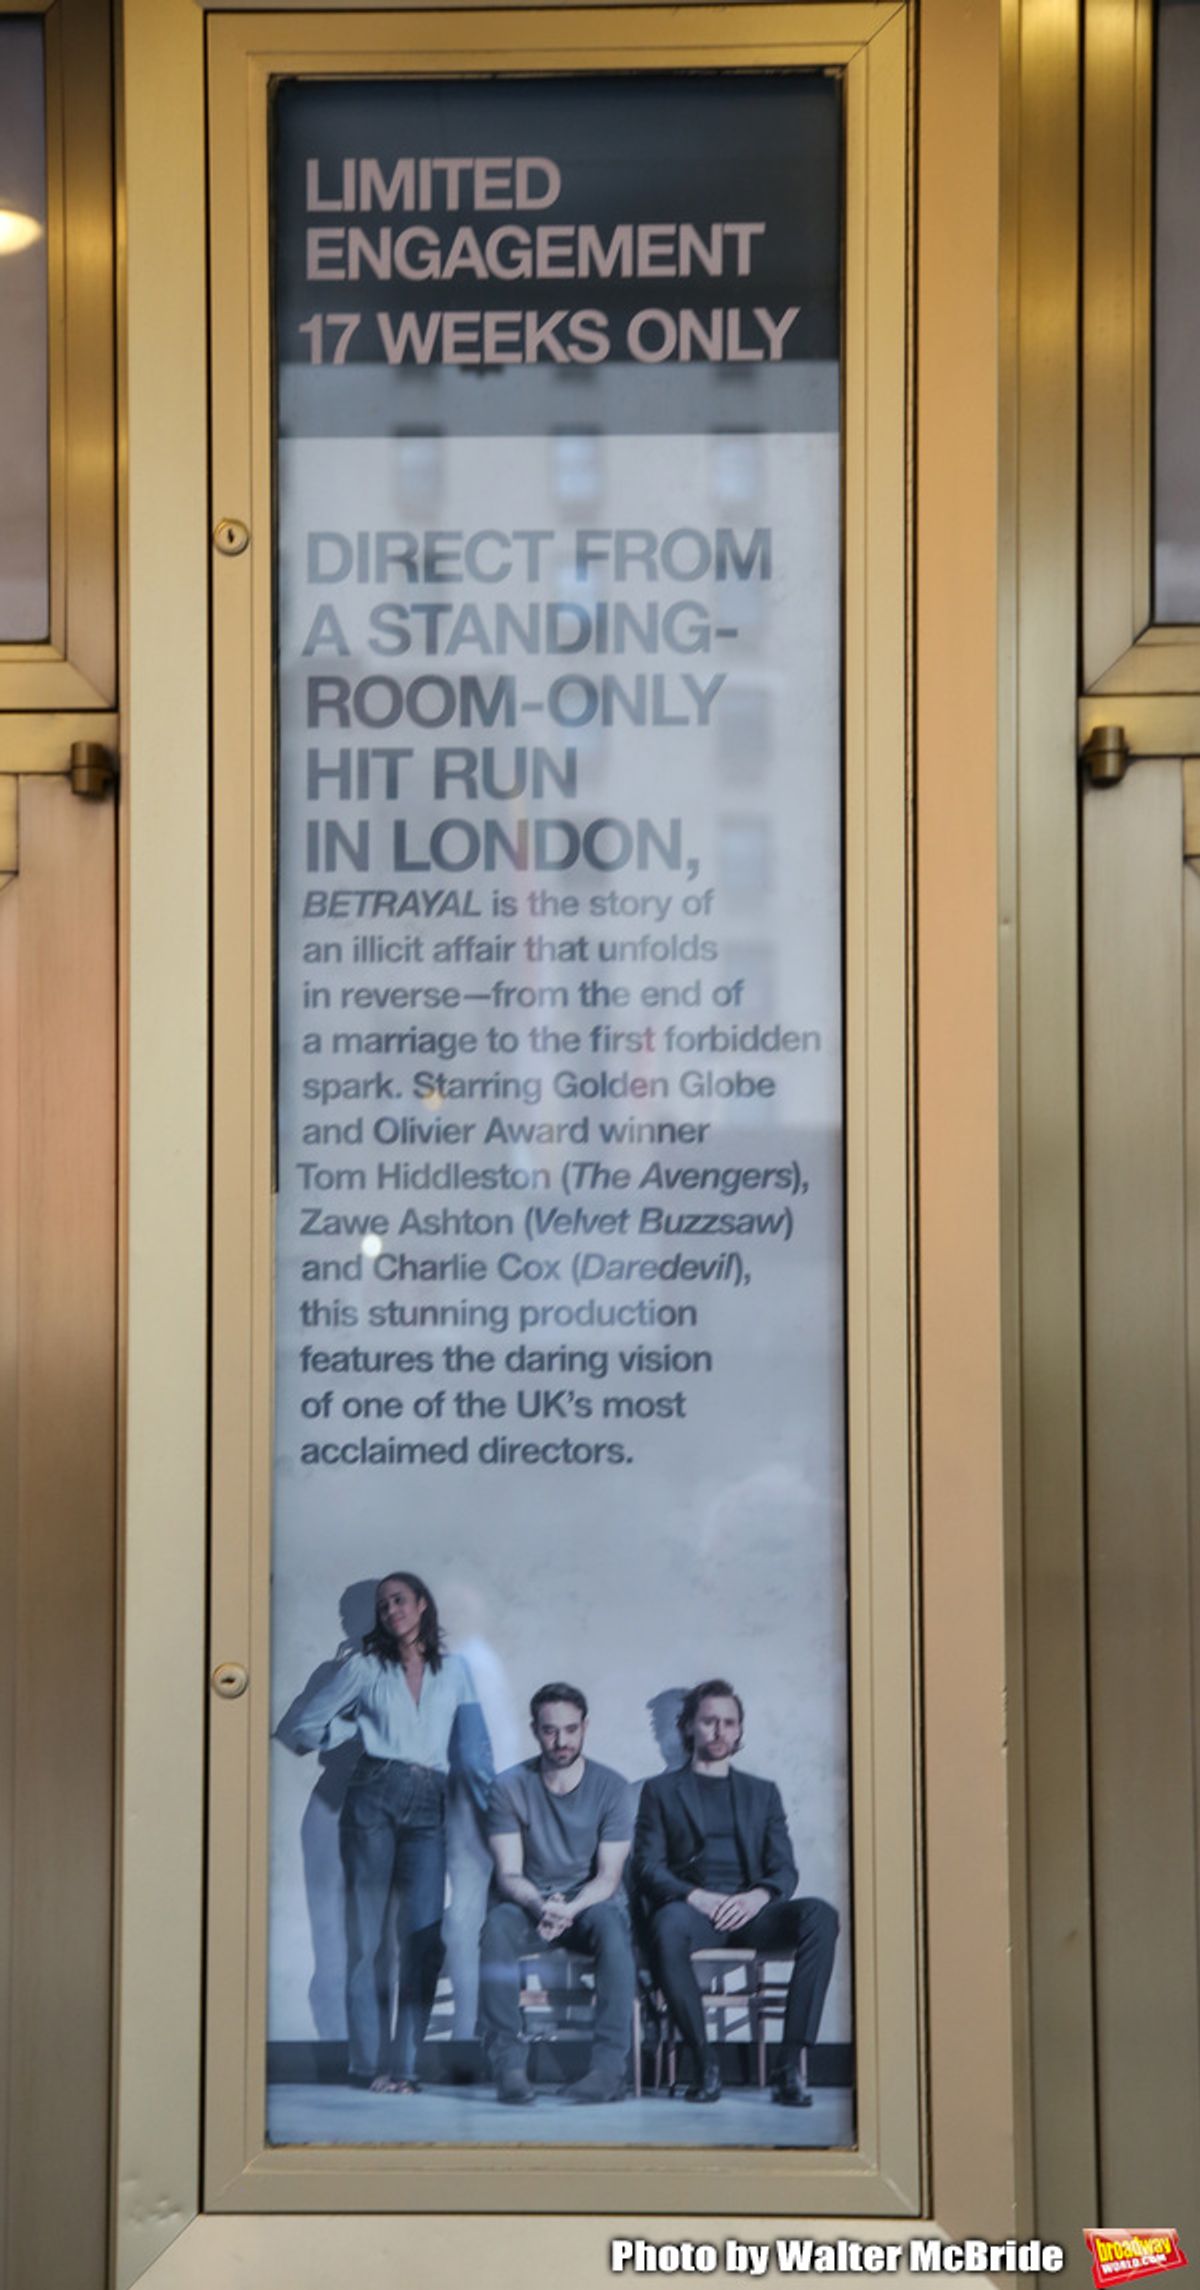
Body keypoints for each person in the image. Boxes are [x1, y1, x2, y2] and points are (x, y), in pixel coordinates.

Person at [289, 1570, 493, 2093]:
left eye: (399, 1600)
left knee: (423, 1939)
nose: (391, 1611)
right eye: (383, 1606)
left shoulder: (458, 1672)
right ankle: (366, 2065)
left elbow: (473, 1751)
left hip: (432, 1802)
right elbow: (304, 1729)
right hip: (372, 1797)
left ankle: (403, 2066)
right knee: (367, 1940)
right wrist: (353, 1728)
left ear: (423, 1605)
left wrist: (495, 1812)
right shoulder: (362, 1667)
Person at [632, 1678, 838, 2107]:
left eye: (729, 1723)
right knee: (665, 1924)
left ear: (740, 1729)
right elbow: (648, 1866)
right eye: (709, 1721)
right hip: (695, 1913)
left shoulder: (762, 1793)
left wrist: (756, 1898)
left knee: (821, 1915)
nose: (720, 1731)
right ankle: (704, 2062)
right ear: (688, 1727)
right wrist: (697, 1897)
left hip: (752, 1913)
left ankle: (789, 2065)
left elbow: (783, 1869)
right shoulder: (660, 1791)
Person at [479, 1682, 636, 2106]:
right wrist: (539, 1904)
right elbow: (508, 1872)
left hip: (589, 1904)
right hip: (529, 1903)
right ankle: (509, 2067)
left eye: (570, 1729)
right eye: (550, 1730)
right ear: (535, 1729)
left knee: (616, 1935)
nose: (561, 1740)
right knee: (495, 1928)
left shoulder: (612, 1788)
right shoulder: (508, 1786)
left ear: (585, 1727)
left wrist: (570, 1907)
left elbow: (608, 1877)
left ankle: (607, 2071)